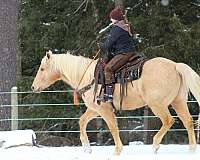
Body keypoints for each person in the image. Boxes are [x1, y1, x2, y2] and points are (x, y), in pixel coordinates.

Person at [97, 7, 136, 103]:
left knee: (108, 68)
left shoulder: (117, 28)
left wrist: (100, 45)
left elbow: (108, 44)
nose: (111, 20)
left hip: (124, 53)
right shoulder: (125, 26)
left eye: (112, 18)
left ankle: (109, 94)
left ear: (116, 19)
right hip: (129, 51)